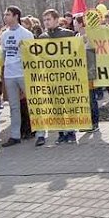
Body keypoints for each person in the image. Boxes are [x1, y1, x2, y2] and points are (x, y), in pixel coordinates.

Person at [38, 9, 76, 146]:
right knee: (56, 106)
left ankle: (71, 132)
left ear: (56, 19)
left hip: (66, 76)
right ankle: (61, 133)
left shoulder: (68, 34)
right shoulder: (42, 38)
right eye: (45, 20)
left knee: (68, 105)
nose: (46, 22)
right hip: (50, 77)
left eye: (49, 19)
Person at [1, 6, 35, 147]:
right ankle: (15, 135)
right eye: (5, 14)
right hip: (10, 74)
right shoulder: (4, 35)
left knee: (32, 103)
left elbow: (32, 54)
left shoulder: (26, 33)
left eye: (8, 14)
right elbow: (3, 54)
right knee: (14, 106)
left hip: (23, 72)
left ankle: (38, 132)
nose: (5, 17)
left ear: (16, 16)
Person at [74, 14, 99, 133]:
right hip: (79, 71)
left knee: (91, 98)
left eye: (75, 22)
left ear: (81, 23)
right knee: (84, 98)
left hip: (89, 71)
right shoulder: (77, 35)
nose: (74, 24)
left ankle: (94, 122)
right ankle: (86, 121)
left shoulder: (89, 36)